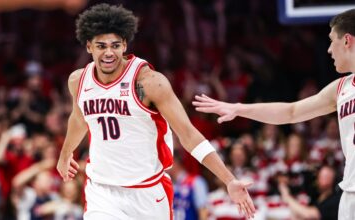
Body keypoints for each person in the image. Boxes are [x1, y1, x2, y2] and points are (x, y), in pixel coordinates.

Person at [56, 3, 255, 220]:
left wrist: (228, 179)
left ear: (124, 44)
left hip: (148, 192)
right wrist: (66, 153)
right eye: (101, 46)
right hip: (102, 191)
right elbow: (79, 119)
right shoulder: (78, 81)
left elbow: (188, 134)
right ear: (89, 47)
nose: (108, 52)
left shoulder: (150, 83)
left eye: (114, 45)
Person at [193, 8, 355, 220]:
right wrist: (239, 109)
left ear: (347, 41)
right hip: (350, 193)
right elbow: (291, 111)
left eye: (331, 41)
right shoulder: (341, 87)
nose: (328, 50)